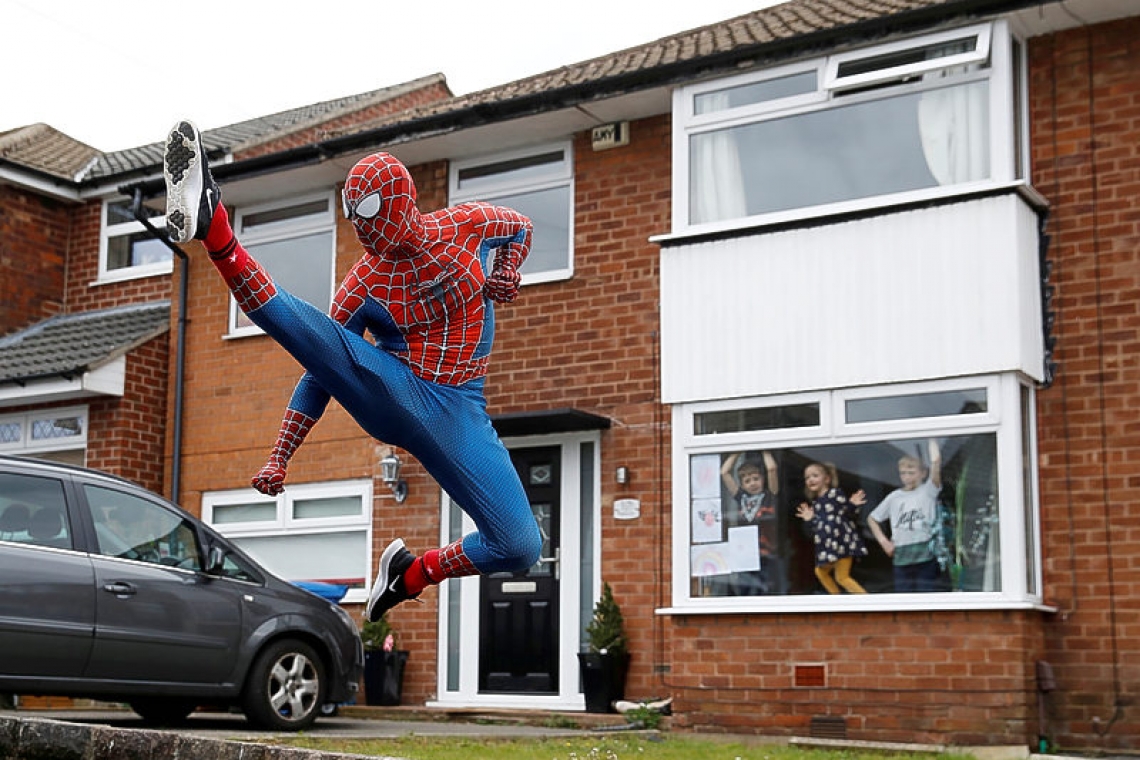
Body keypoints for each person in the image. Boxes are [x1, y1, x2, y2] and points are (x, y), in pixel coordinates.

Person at [162, 120, 542, 621]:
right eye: (351, 217)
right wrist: (281, 456)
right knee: (315, 334)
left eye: (367, 213)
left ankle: (408, 574)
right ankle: (217, 230)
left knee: (520, 546)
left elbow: (521, 226)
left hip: (463, 410)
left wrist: (506, 271)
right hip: (398, 389)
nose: (360, 229)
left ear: (402, 200)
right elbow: (321, 368)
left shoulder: (467, 225)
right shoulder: (363, 282)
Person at [866, 440, 944, 592]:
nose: (907, 477)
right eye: (903, 473)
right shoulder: (894, 497)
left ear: (923, 473)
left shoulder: (928, 491)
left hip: (925, 556)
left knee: (926, 598)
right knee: (904, 599)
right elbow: (872, 518)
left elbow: (936, 462)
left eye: (911, 472)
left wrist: (931, 437)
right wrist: (884, 542)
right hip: (901, 558)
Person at [795, 461, 867, 594]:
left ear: (827, 479)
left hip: (842, 544)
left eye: (815, 475)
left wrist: (853, 505)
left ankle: (867, 600)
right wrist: (809, 519)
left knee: (842, 577)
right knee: (821, 572)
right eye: (807, 477)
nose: (810, 479)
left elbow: (846, 513)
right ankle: (836, 598)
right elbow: (814, 530)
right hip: (829, 548)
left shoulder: (834, 494)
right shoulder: (816, 504)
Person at [720, 451, 786, 594]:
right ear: (742, 485)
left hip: (765, 553)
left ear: (763, 479)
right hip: (745, 553)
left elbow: (772, 469)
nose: (752, 483)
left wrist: (764, 449)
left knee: (765, 589)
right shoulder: (741, 497)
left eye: (756, 478)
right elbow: (725, 473)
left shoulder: (769, 496)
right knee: (744, 590)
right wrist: (737, 451)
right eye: (747, 481)